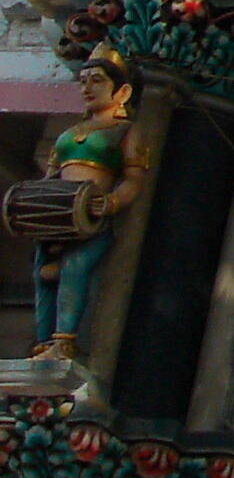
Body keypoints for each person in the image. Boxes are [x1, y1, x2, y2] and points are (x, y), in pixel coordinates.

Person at [26, 47, 150, 361]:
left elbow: (133, 179)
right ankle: (44, 341)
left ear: (122, 91)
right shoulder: (68, 135)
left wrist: (111, 202)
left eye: (96, 80)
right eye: (83, 81)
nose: (87, 88)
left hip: (92, 217)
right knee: (42, 273)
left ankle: (64, 341)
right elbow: (52, 175)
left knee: (75, 268)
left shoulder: (125, 132)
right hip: (58, 216)